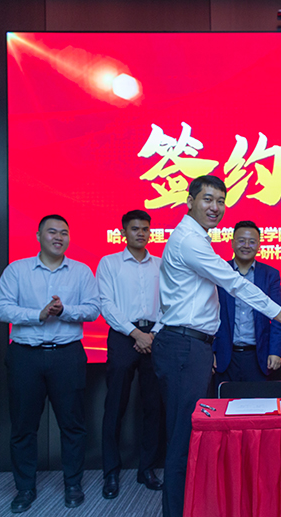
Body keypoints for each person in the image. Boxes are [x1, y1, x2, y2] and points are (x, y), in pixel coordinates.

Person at [152, 175, 281, 517]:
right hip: (183, 346)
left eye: (221, 201)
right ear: (190, 201)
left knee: (187, 435)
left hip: (190, 346)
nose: (215, 207)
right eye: (208, 199)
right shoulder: (190, 241)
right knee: (182, 439)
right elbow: (235, 284)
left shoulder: (197, 238)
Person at [0, 214, 100, 513]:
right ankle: (25, 488)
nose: (58, 237)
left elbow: (93, 310)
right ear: (38, 235)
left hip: (67, 355)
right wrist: (36, 315)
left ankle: (73, 484)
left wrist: (64, 310)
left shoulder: (81, 271)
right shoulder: (17, 270)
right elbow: (1, 309)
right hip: (25, 356)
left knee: (73, 425)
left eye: (64, 232)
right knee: (23, 427)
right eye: (52, 232)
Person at [96, 210, 164, 500]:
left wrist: (152, 334)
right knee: (115, 406)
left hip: (156, 336)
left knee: (154, 406)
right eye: (135, 228)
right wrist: (135, 334)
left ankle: (146, 469)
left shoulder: (161, 264)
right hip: (123, 336)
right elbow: (106, 304)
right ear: (123, 232)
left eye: (145, 229)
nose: (141, 233)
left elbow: (170, 303)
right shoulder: (109, 263)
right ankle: (111, 472)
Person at [213, 220, 281, 388]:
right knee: (224, 401)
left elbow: (278, 316)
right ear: (232, 243)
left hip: (258, 356)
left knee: (257, 402)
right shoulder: (220, 272)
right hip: (225, 356)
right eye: (241, 240)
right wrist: (211, 351)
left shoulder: (270, 275)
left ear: (259, 245)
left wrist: (275, 351)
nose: (246, 245)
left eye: (252, 241)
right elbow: (209, 315)